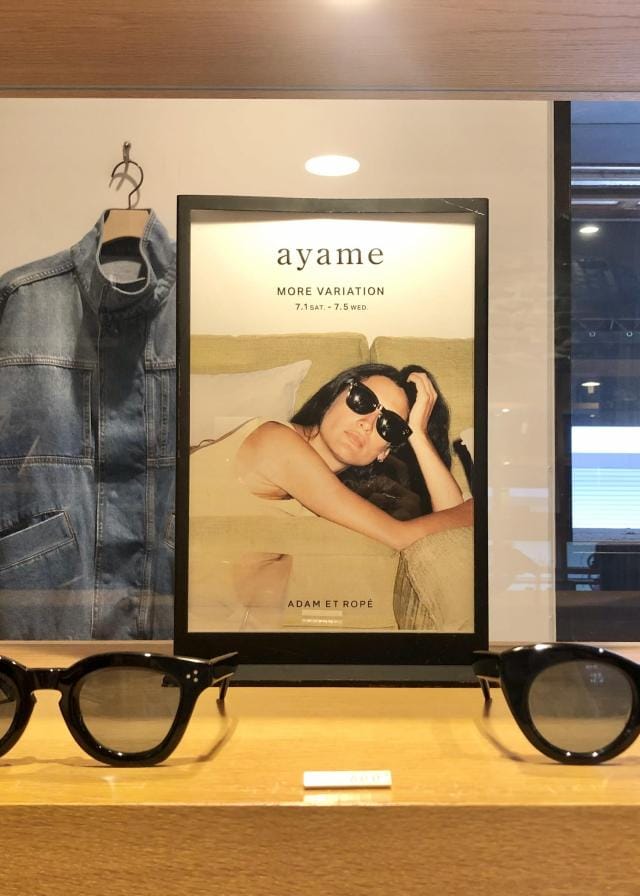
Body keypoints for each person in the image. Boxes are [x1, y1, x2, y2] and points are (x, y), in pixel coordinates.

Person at [232, 362, 472, 551]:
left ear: (384, 452)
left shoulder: (341, 500)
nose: (367, 424)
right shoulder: (277, 441)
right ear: (333, 397)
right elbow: (400, 536)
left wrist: (417, 434)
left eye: (390, 425)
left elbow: (453, 534)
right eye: (363, 401)